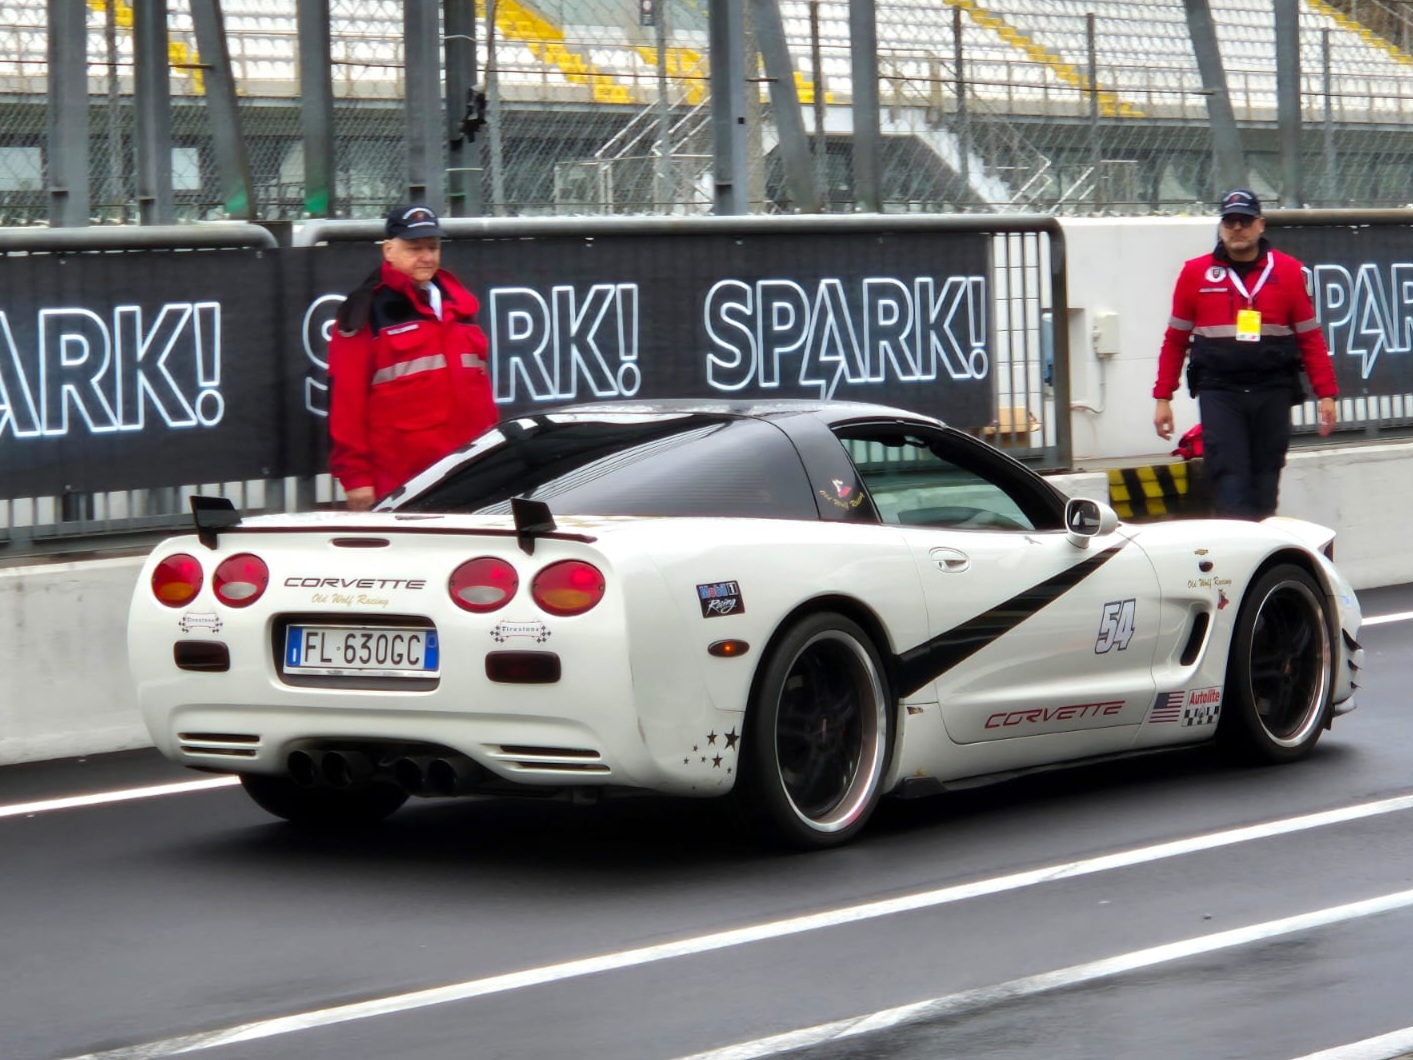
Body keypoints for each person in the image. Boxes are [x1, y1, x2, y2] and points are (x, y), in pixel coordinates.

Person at [1152, 188, 1338, 520]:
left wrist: (1327, 394)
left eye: (1245, 221)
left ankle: (1261, 559)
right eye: (1230, 221)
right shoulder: (1195, 274)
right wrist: (1163, 397)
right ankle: (1234, 560)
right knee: (1230, 481)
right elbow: (1175, 340)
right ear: (1221, 227)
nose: (1237, 228)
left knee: (1266, 483)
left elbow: (1310, 337)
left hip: (1273, 390)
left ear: (1261, 225)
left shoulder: (1289, 272)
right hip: (1220, 390)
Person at [328, 204, 498, 510]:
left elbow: (480, 393)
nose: (427, 256)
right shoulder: (366, 311)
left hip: (472, 473)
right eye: (415, 248)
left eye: (433, 247)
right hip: (402, 483)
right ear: (389, 250)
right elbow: (346, 402)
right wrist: (357, 479)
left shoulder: (460, 306)